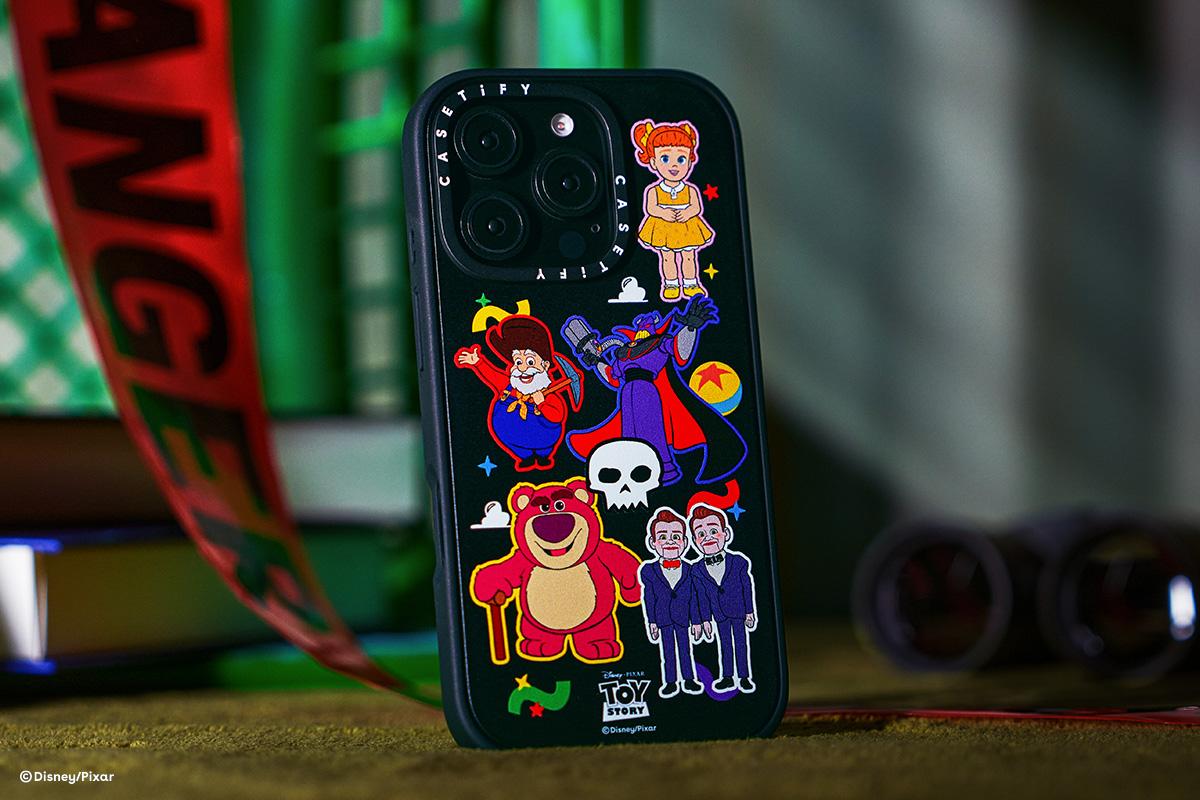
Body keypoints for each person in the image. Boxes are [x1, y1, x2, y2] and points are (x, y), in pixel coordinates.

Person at [632, 119, 714, 301]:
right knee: (667, 257)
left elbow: (696, 207)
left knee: (689, 256)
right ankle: (671, 284)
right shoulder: (654, 190)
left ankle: (691, 284)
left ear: (689, 162)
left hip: (686, 226)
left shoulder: (690, 189)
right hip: (664, 227)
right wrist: (663, 213)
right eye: (665, 158)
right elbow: (651, 207)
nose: (674, 165)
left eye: (681, 159)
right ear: (653, 162)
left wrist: (687, 213)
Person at [639, 507, 709, 698]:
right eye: (663, 537)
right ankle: (670, 682)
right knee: (668, 651)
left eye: (676, 537)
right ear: (653, 543)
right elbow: (649, 597)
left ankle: (689, 679)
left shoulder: (690, 569)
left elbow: (694, 598)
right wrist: (652, 622)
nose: (670, 541)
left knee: (685, 650)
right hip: (663, 619)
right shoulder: (649, 571)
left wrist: (697, 621)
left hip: (683, 618)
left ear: (685, 542)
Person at [689, 503, 756, 693]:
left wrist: (749, 611)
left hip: (738, 611)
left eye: (713, 531)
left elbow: (746, 587)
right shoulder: (697, 569)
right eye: (701, 534)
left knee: (741, 643)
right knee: (725, 644)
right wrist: (704, 619)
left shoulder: (739, 562)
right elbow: (700, 597)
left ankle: (744, 677)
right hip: (718, 614)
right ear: (694, 540)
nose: (708, 537)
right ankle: (727, 677)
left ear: (725, 533)